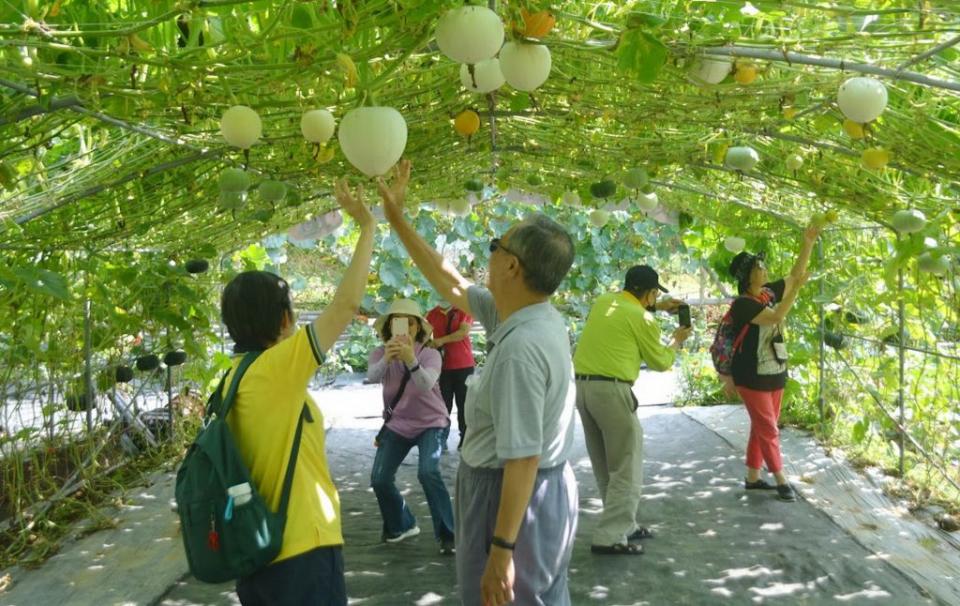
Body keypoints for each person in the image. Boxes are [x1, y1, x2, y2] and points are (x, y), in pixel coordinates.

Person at [378, 159, 578, 606]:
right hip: (528, 493)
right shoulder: (522, 314)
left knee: (503, 596)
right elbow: (446, 281)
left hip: (509, 497)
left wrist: (502, 551)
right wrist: (397, 218)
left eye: (494, 245)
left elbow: (523, 458)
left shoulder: (521, 347)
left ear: (511, 266)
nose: (487, 253)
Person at [221, 178, 374, 606]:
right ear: (284, 321)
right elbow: (345, 305)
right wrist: (367, 228)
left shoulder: (233, 376)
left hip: (259, 547)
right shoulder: (275, 369)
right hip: (299, 550)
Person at [573, 265, 692, 555]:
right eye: (654, 294)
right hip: (613, 392)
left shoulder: (605, 302)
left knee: (604, 464)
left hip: (582, 389)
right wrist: (676, 340)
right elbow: (661, 362)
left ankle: (621, 525)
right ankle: (610, 535)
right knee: (626, 464)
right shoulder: (642, 318)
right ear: (650, 293)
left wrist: (657, 307)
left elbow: (628, 316)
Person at [728, 221, 819, 502]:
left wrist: (808, 243)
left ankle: (753, 478)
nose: (765, 271)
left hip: (774, 370)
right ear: (747, 277)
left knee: (762, 425)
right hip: (751, 375)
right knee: (769, 428)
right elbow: (776, 316)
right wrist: (795, 291)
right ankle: (781, 481)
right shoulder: (742, 304)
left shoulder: (766, 293)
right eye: (759, 269)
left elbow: (794, 276)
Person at [366, 298, 456, 555]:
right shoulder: (380, 352)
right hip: (398, 423)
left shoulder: (430, 354)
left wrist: (410, 359)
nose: (403, 327)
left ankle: (449, 534)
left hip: (432, 422)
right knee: (379, 479)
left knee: (428, 471)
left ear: (418, 328)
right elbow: (371, 376)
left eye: (408, 322)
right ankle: (401, 525)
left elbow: (426, 383)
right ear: (389, 327)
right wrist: (388, 357)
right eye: (396, 322)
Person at [425, 302, 475, 450]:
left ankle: (465, 438)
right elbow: (424, 334)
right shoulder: (433, 313)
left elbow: (462, 333)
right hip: (442, 365)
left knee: (464, 404)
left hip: (464, 364)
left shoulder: (464, 310)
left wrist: (440, 340)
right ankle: (441, 438)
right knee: (442, 404)